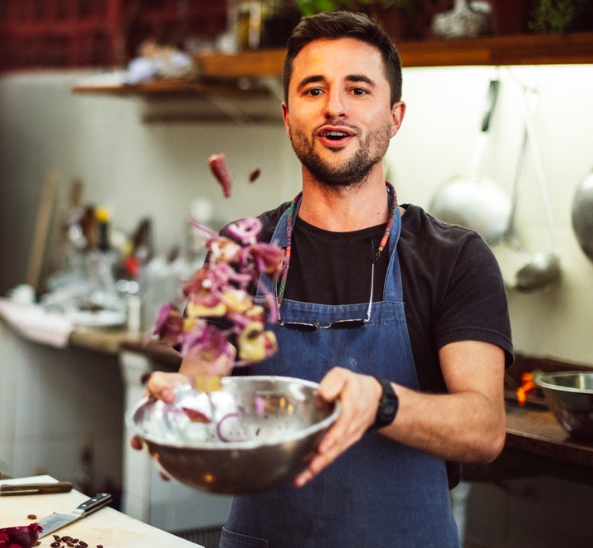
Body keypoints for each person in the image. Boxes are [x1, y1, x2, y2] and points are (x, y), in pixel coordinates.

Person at [138, 10, 513, 547]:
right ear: (288, 115)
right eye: (314, 89)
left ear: (396, 115)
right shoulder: (241, 252)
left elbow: (484, 429)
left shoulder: (454, 258)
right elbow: (202, 388)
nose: (335, 105)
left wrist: (381, 402)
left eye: (358, 89)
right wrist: (177, 405)